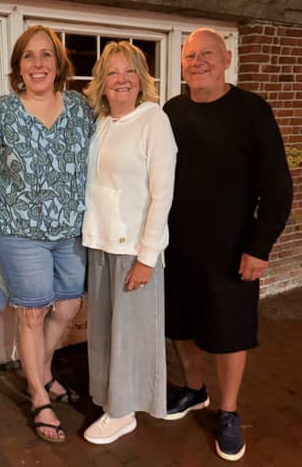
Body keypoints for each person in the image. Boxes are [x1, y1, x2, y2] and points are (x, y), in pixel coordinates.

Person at [163, 28, 292, 461]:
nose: (197, 62)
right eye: (190, 56)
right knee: (180, 327)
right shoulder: (171, 111)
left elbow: (278, 188)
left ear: (227, 59)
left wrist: (259, 247)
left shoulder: (252, 111)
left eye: (207, 55)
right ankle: (194, 390)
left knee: (229, 334)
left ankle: (229, 411)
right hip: (176, 249)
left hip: (232, 251)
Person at [0, 24, 94, 443]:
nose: (38, 63)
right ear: (18, 67)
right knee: (31, 313)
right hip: (19, 228)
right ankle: (38, 397)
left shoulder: (81, 109)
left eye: (46, 55)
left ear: (58, 63)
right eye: (29, 56)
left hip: (72, 230)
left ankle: (43, 370)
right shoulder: (0, 112)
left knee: (66, 307)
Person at [81, 41, 177, 445]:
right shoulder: (102, 123)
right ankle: (111, 401)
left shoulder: (152, 119)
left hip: (133, 249)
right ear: (102, 83)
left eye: (130, 71)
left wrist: (147, 257)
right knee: (104, 332)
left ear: (141, 80)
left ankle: (124, 412)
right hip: (99, 244)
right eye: (113, 72)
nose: (121, 79)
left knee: (131, 336)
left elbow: (163, 193)